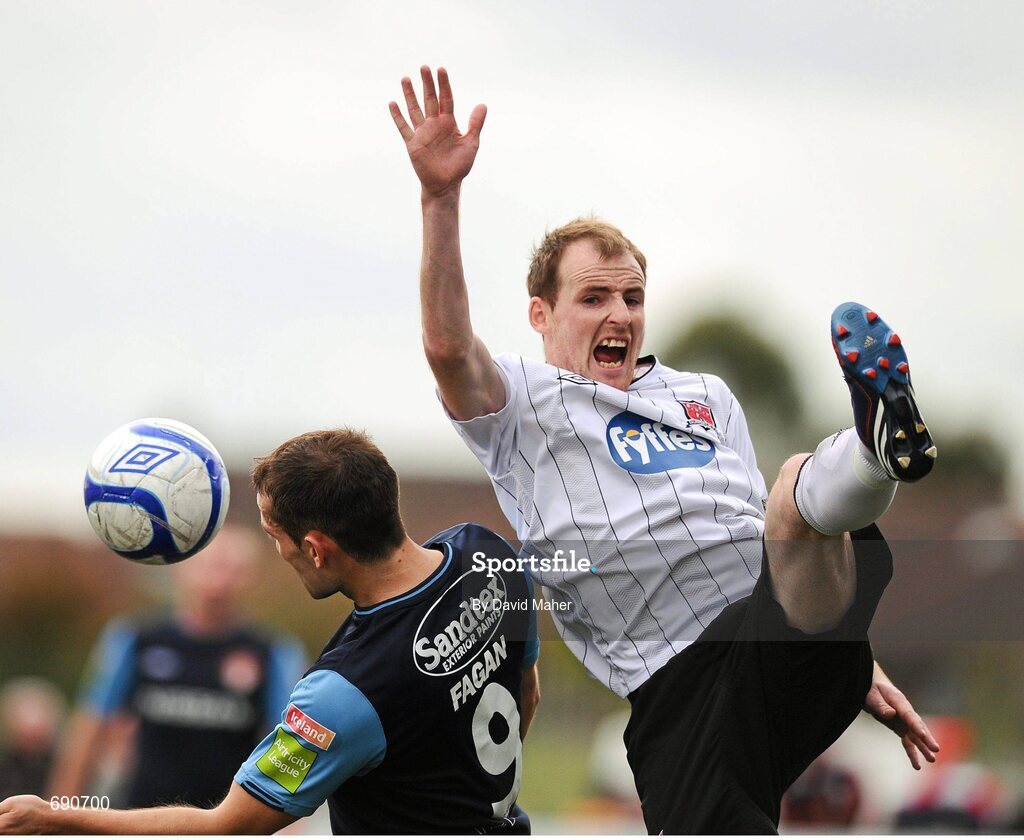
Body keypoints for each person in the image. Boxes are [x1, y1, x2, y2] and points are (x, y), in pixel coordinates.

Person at [388, 65, 941, 833]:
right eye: (594, 298)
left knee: (787, 495)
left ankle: (878, 451)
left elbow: (769, 542)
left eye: (632, 297)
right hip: (682, 685)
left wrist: (860, 664)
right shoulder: (520, 404)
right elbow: (448, 349)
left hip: (776, 624)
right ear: (541, 315)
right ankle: (868, 452)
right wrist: (439, 197)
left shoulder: (705, 395)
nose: (619, 313)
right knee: (796, 491)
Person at [0, 429, 540, 834]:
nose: (276, 553)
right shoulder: (488, 555)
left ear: (314, 547)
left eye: (274, 535)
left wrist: (61, 818)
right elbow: (526, 688)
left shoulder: (342, 694)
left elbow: (227, 825)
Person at [47, 525, 307, 809]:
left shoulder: (274, 652)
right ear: (179, 569)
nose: (219, 580)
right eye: (210, 566)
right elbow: (89, 731)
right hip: (140, 818)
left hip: (226, 825)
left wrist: (284, 826)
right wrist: (59, 812)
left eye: (233, 569)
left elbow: (290, 748)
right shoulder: (135, 639)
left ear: (250, 578)